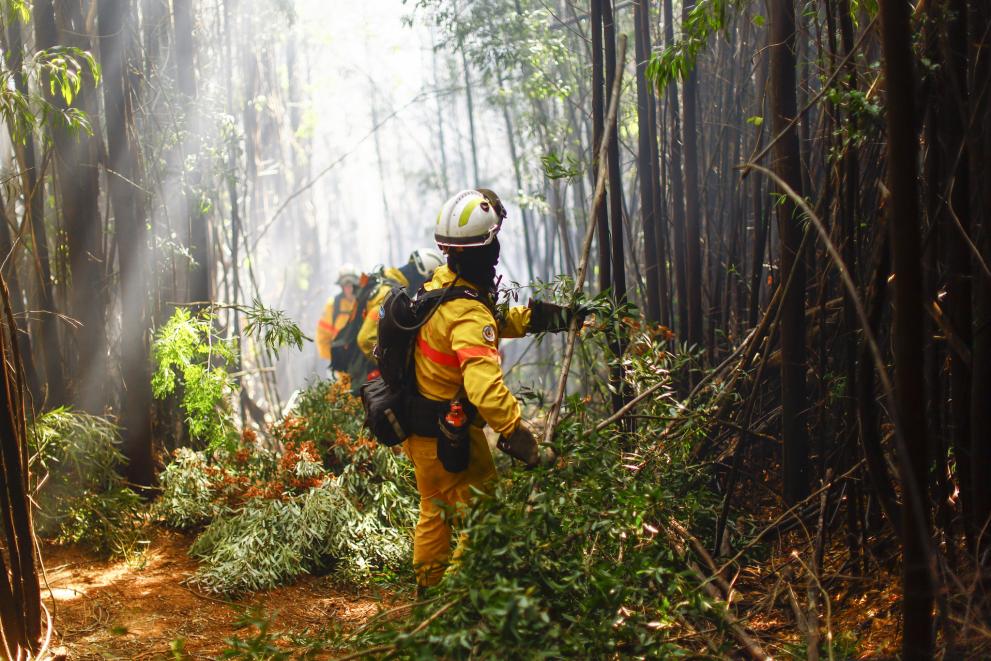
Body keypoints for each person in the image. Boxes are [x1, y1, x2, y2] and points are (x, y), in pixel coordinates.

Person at [403, 188, 582, 590]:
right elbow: (484, 388)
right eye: (495, 240)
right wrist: (519, 435)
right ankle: (458, 601)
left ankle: (428, 594)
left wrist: (544, 318)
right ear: (485, 249)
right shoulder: (466, 309)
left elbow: (490, 317)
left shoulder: (440, 287)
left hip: (419, 429)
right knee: (484, 512)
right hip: (449, 433)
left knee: (434, 509)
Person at [355, 248, 445, 364]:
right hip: (364, 370)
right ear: (422, 275)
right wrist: (392, 366)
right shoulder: (388, 295)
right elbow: (365, 339)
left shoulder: (388, 277)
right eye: (426, 281)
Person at [316, 265, 359, 367]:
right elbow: (322, 339)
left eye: (353, 284)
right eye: (347, 285)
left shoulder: (365, 302)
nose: (351, 288)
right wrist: (337, 358)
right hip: (344, 368)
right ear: (342, 286)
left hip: (365, 364)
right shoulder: (333, 306)